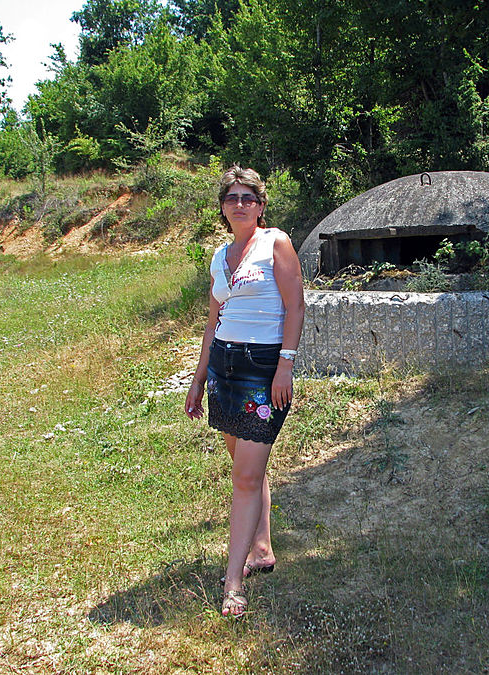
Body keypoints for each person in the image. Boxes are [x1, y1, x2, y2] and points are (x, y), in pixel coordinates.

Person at [185, 166, 305, 618]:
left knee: (245, 478)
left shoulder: (276, 243)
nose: (240, 204)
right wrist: (199, 379)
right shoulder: (219, 256)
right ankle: (261, 548)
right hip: (224, 370)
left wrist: (284, 367)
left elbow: (296, 306)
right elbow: (212, 322)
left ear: (261, 205)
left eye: (248, 197)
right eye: (232, 197)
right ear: (222, 206)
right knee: (247, 468)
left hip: (262, 369)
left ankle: (233, 581)